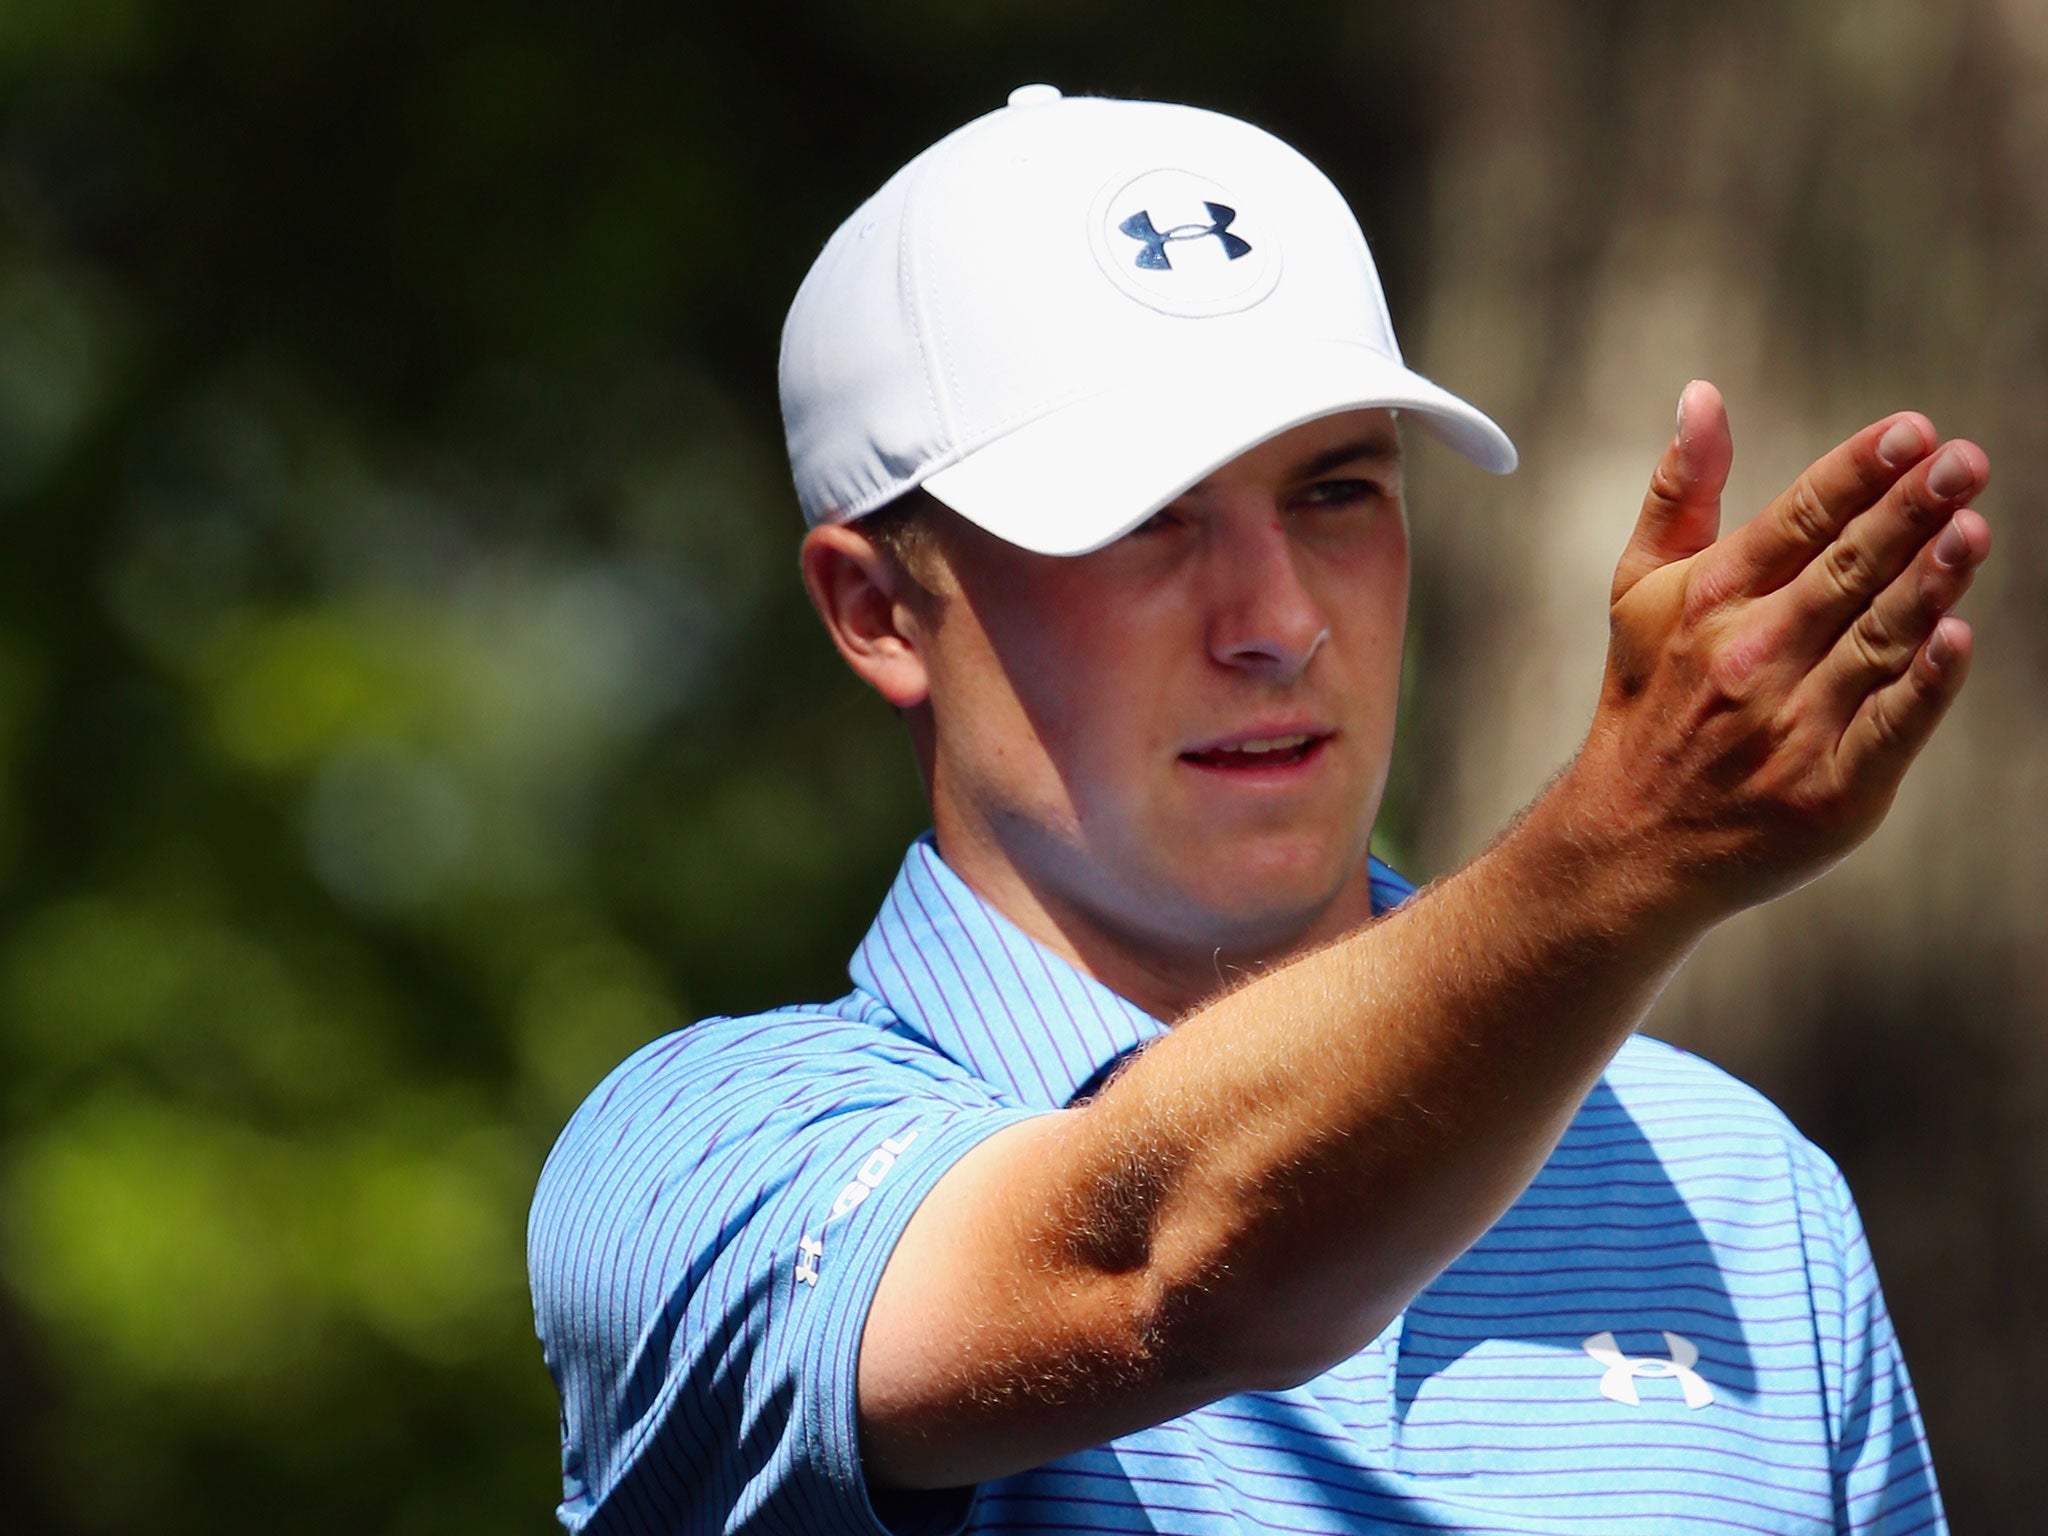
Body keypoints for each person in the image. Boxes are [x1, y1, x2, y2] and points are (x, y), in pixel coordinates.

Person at [529, 86, 1989, 1534]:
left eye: (1338, 490)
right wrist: (1625, 849)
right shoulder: (691, 1164)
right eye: (1143, 517)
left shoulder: (1739, 1190)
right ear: (877, 608)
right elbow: (1165, 1260)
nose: (1279, 621)